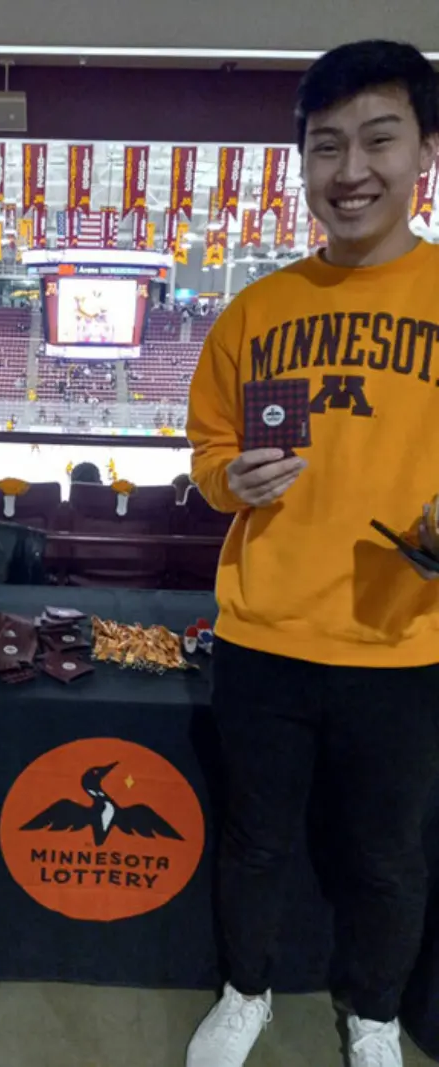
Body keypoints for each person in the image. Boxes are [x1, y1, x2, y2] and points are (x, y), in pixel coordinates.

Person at [185, 40, 439, 1067]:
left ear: (422, 149)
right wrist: (223, 481)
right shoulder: (255, 307)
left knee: (384, 857)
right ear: (299, 163)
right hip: (262, 632)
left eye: (376, 138)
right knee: (253, 841)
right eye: (323, 145)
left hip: (405, 640)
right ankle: (244, 988)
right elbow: (204, 450)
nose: (349, 170)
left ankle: (370, 1010)